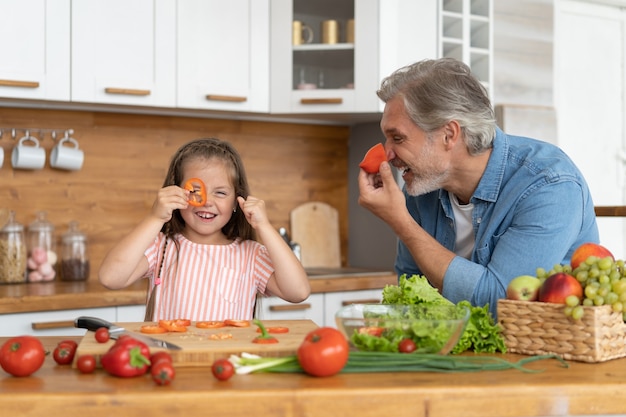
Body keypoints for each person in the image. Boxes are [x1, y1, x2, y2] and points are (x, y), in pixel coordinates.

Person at [358, 58, 599, 317]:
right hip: (460, 350)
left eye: (398, 138)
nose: (388, 154)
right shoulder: (421, 190)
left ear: (449, 135)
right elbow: (410, 293)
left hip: (544, 350)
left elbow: (501, 305)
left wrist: (401, 223)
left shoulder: (548, 185)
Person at [99, 138, 310, 321]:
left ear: (237, 201)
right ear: (177, 192)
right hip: (171, 362)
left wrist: (264, 227)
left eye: (220, 193)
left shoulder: (251, 255)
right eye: (194, 190)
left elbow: (298, 292)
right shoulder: (161, 247)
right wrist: (155, 217)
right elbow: (110, 278)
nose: (206, 202)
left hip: (226, 364)